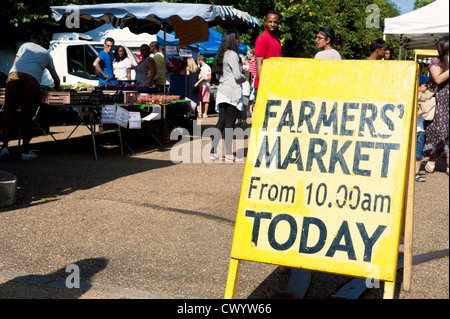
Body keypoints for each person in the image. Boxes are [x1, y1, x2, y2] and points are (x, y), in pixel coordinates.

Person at [0, 33, 60, 161]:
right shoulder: (46, 54)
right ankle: (25, 151)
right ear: (45, 43)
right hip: (31, 80)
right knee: (27, 114)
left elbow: (14, 65)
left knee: (9, 111)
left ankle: (4, 147)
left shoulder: (25, 46)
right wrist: (58, 87)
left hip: (14, 76)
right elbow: (55, 77)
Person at [210, 30, 246, 162]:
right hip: (232, 92)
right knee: (230, 123)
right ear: (233, 40)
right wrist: (245, 77)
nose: (239, 41)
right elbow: (237, 76)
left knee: (221, 122)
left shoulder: (221, 54)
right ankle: (229, 153)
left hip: (222, 91)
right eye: (238, 38)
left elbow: (218, 75)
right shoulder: (232, 55)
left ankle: (213, 151)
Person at [423, 36, 449, 175]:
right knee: (442, 132)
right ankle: (433, 157)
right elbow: (438, 79)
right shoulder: (435, 61)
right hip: (442, 102)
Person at [254, 10, 282, 99]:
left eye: (275, 22)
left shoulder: (277, 40)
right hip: (265, 85)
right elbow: (258, 62)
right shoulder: (262, 38)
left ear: (278, 23)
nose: (272, 24)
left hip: (274, 84)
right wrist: (263, 84)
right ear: (266, 22)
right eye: (270, 22)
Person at [415, 75, 433, 182]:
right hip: (413, 131)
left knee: (418, 153)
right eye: (425, 85)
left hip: (420, 130)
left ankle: (416, 173)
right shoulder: (414, 98)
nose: (426, 87)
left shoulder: (424, 98)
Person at [237, 54, 250, 126]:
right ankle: (239, 120)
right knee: (238, 106)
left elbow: (243, 70)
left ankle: (244, 120)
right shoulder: (237, 66)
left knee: (244, 106)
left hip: (245, 89)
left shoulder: (247, 65)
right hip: (238, 89)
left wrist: (241, 63)